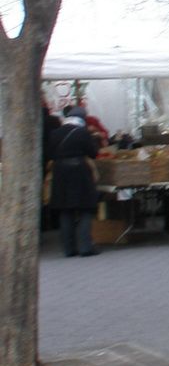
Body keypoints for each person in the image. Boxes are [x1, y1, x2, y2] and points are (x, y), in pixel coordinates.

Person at [47, 105, 102, 257]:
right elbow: (93, 153)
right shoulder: (83, 133)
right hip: (79, 171)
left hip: (60, 172)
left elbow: (50, 152)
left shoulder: (55, 133)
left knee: (66, 210)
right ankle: (85, 247)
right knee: (85, 208)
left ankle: (68, 249)